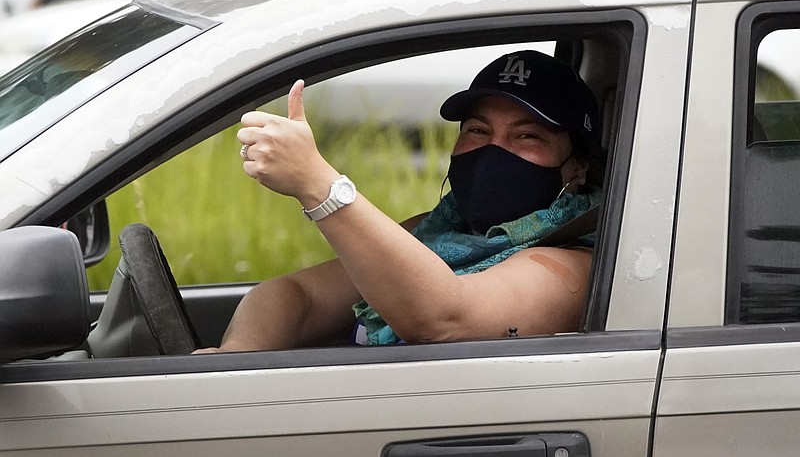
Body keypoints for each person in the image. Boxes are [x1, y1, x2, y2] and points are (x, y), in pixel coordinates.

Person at [195, 50, 602, 353]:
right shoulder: (433, 230)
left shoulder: (572, 266)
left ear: (578, 167)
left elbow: (442, 317)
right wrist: (233, 359)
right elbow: (295, 296)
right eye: (477, 130)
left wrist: (319, 184)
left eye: (526, 136)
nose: (494, 151)